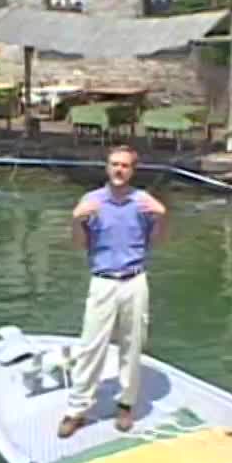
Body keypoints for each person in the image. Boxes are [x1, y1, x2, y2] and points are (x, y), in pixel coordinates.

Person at [58, 145, 167, 439]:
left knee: (132, 345)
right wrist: (76, 220)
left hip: (134, 279)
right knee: (91, 345)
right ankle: (77, 408)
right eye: (114, 164)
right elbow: (79, 244)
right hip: (103, 280)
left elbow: (156, 241)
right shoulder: (91, 201)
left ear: (133, 170)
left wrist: (161, 217)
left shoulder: (143, 201)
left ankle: (126, 404)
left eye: (125, 166)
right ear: (107, 167)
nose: (119, 170)